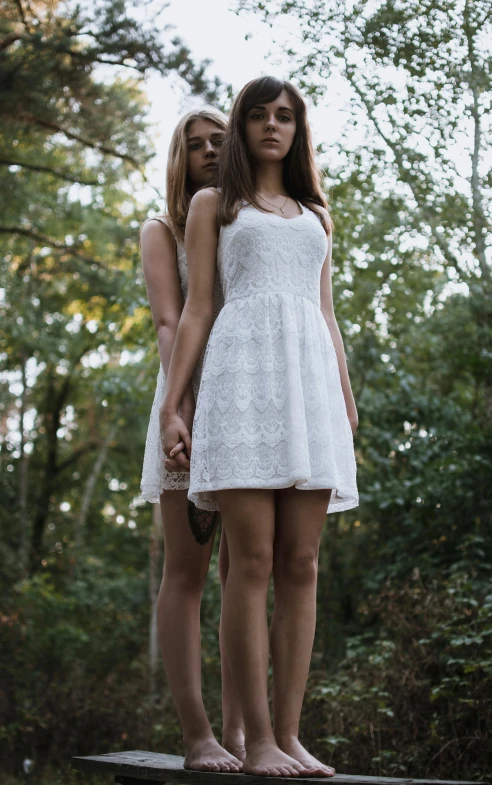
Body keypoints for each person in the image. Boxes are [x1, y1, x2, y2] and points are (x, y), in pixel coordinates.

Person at [160, 77, 359, 778]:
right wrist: (174, 404)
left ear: (298, 128)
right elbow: (197, 309)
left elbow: (327, 314)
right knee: (251, 562)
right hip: (242, 385)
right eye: (258, 115)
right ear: (242, 126)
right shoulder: (215, 205)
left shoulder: (316, 214)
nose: (272, 126)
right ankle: (260, 740)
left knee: (302, 564)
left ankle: (293, 734)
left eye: (285, 116)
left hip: (311, 395)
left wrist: (345, 395)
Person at [140, 107, 244, 773]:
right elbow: (170, 322)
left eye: (217, 140)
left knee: (249, 572)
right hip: (190, 400)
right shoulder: (164, 228)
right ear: (180, 157)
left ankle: (243, 730)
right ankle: (198, 733)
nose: (208, 150)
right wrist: (182, 406)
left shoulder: (247, 220)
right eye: (195, 144)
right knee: (188, 572)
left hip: (250, 402)